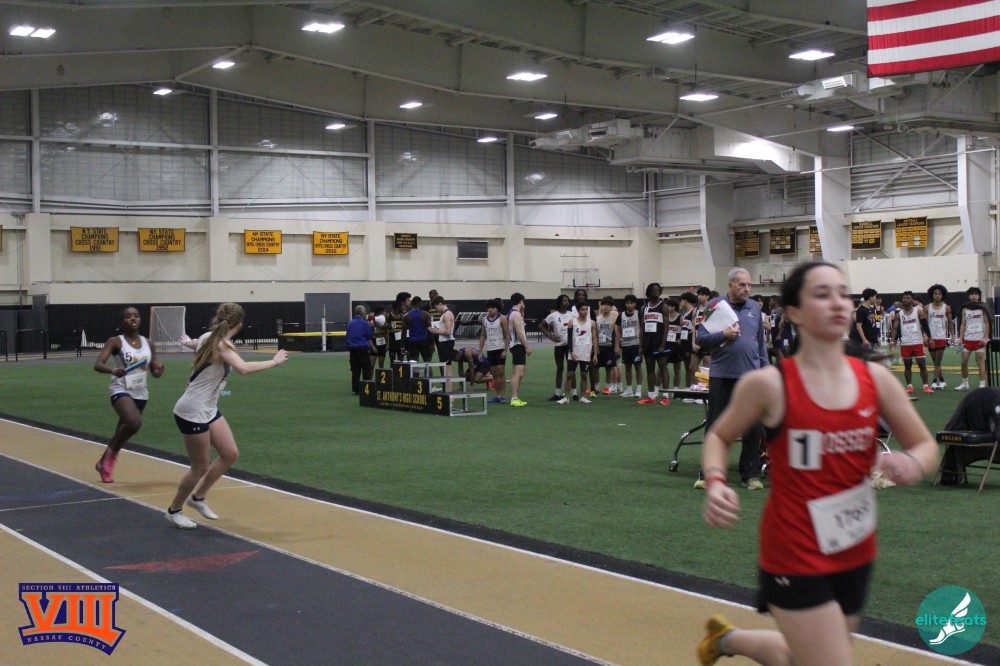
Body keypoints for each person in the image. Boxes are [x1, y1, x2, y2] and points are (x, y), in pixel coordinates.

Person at [697, 262, 938, 666]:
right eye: (823, 295)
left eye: (843, 294)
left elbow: (926, 445)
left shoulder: (875, 378)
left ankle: (728, 639)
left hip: (855, 548)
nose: (838, 303)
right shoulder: (769, 385)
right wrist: (717, 481)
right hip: (794, 551)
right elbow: (719, 436)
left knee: (802, 656)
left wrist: (912, 462)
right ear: (794, 312)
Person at [167, 303, 289, 528]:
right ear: (239, 324)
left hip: (208, 408)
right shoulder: (222, 345)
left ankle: (198, 498)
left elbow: (195, 343)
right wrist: (274, 361)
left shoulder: (208, 337)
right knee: (200, 467)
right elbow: (243, 368)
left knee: (230, 454)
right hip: (192, 411)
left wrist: (187, 342)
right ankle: (174, 510)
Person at [693, 268, 768, 490]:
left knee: (753, 428)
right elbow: (701, 338)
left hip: (750, 378)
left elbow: (760, 344)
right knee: (716, 426)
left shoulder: (754, 308)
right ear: (731, 286)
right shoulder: (715, 305)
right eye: (742, 285)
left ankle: (750, 476)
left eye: (749, 285)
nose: (747, 289)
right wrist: (723, 335)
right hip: (722, 375)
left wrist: (765, 371)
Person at [93, 306, 164, 483]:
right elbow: (98, 364)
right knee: (134, 422)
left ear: (140, 319)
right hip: (121, 389)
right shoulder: (115, 342)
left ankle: (103, 463)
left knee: (122, 432)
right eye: (128, 316)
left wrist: (158, 371)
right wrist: (113, 370)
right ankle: (109, 460)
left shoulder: (149, 343)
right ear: (122, 321)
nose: (133, 318)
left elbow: (154, 370)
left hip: (141, 393)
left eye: (136, 316)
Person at [891, 291, 933, 395]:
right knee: (907, 366)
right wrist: (892, 341)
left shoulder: (918, 311)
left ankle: (926, 386)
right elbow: (895, 329)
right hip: (905, 343)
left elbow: (925, 325)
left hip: (917, 342)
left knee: (922, 364)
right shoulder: (899, 314)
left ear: (912, 300)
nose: (905, 299)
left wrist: (929, 337)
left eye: (908, 298)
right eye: (904, 298)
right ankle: (909, 386)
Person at [558, 301, 597, 404]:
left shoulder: (592, 323)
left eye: (586, 310)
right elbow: (569, 338)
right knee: (570, 374)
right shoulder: (572, 322)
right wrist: (571, 351)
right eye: (582, 309)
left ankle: (583, 397)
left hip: (586, 353)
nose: (585, 311)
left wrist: (595, 354)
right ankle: (566, 397)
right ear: (578, 311)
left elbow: (594, 338)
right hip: (574, 353)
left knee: (584, 375)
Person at [956, 286, 992, 391]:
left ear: (979, 296)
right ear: (968, 296)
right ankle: (965, 383)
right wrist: (961, 338)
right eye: (972, 294)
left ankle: (982, 384)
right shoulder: (965, 308)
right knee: (964, 361)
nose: (974, 296)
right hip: (967, 340)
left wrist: (986, 338)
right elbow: (963, 323)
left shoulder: (983, 308)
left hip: (979, 340)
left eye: (976, 294)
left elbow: (987, 323)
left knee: (980, 361)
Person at [639, 282, 669, 405]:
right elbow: (642, 328)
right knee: (649, 369)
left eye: (658, 290)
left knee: (663, 368)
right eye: (654, 290)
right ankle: (651, 396)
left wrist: (662, 345)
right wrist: (640, 346)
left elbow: (666, 327)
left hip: (659, 342)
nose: (656, 291)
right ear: (649, 292)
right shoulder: (644, 308)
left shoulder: (663, 306)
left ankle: (666, 396)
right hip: (648, 343)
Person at [539, 294, 573, 401]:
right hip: (559, 346)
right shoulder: (553, 315)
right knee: (560, 368)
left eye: (567, 301)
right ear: (559, 302)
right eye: (564, 301)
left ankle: (575, 393)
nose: (566, 302)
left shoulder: (572, 314)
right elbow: (541, 326)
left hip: (570, 346)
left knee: (571, 369)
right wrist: (550, 336)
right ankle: (557, 394)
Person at [479, 298, 509, 403]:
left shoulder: (502, 318)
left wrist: (505, 350)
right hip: (490, 348)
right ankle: (497, 395)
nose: (490, 309)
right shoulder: (484, 320)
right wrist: (480, 351)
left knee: (501, 371)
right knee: (494, 372)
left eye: (493, 307)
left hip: (500, 348)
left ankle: (502, 395)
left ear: (497, 308)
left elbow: (507, 335)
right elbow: (483, 335)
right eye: (489, 307)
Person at [925, 284, 952, 389]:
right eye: (935, 293)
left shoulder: (946, 308)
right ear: (932, 295)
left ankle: (934, 382)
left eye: (939, 294)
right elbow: (925, 323)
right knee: (935, 362)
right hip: (931, 338)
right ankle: (942, 381)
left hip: (941, 337)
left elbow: (950, 322)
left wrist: (952, 335)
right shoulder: (927, 308)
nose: (937, 295)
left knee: (937, 362)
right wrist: (925, 336)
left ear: (942, 295)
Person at [506, 293, 532, 407]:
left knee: (516, 372)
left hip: (514, 344)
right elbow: (520, 332)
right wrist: (527, 346)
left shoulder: (513, 313)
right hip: (518, 345)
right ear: (521, 301)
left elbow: (521, 324)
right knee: (519, 372)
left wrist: (522, 310)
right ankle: (514, 397)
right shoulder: (515, 314)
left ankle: (515, 397)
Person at [346, 305, 376, 394]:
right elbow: (369, 335)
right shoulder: (364, 323)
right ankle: (366, 389)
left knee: (355, 369)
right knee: (366, 369)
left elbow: (348, 336)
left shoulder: (350, 323)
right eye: (364, 311)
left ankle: (355, 389)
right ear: (362, 312)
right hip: (362, 348)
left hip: (353, 349)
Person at [617, 294, 642, 398]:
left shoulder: (639, 314)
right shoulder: (621, 315)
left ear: (635, 304)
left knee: (638, 367)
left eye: (631, 303)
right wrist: (617, 346)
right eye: (627, 303)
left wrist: (641, 345)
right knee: (627, 367)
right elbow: (618, 331)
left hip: (636, 344)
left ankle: (639, 390)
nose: (629, 305)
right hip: (625, 345)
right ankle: (629, 390)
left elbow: (642, 330)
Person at [429, 295, 456, 384]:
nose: (436, 310)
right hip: (444, 342)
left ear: (440, 304)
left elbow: (448, 332)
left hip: (447, 342)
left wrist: (435, 331)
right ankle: (448, 389)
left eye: (436, 307)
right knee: (446, 367)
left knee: (448, 367)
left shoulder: (447, 314)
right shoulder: (444, 314)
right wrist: (437, 330)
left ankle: (449, 391)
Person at [595, 296, 619, 394]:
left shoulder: (614, 318)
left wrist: (617, 346)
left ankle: (607, 387)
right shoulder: (597, 319)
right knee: (595, 368)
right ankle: (596, 387)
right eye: (604, 304)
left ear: (611, 307)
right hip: (599, 346)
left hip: (609, 346)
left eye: (608, 305)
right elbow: (595, 335)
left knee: (608, 368)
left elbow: (617, 333)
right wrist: (596, 348)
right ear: (601, 306)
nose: (606, 307)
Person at [403, 295, 434, 362]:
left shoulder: (406, 316)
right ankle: (427, 369)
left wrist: (403, 346)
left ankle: (415, 369)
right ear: (420, 303)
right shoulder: (426, 314)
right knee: (428, 362)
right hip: (424, 341)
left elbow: (404, 333)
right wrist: (432, 344)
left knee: (414, 363)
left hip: (413, 342)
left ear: (412, 304)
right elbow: (429, 330)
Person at [370, 304, 390, 369]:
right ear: (381, 311)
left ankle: (380, 376)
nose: (385, 313)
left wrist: (387, 344)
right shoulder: (372, 321)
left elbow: (386, 333)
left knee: (381, 364)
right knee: (371, 364)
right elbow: (369, 335)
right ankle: (370, 376)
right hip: (374, 342)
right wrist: (373, 346)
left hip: (382, 343)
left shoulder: (384, 321)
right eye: (384, 311)